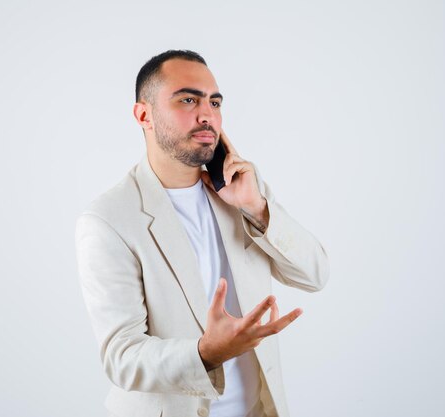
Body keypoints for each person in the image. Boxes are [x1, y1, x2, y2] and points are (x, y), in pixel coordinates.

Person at [75, 50, 329, 417]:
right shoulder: (107, 219)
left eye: (215, 101)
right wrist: (206, 352)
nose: (207, 113)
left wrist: (257, 209)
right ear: (144, 114)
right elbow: (122, 357)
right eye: (188, 99)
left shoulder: (243, 187)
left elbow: (315, 275)